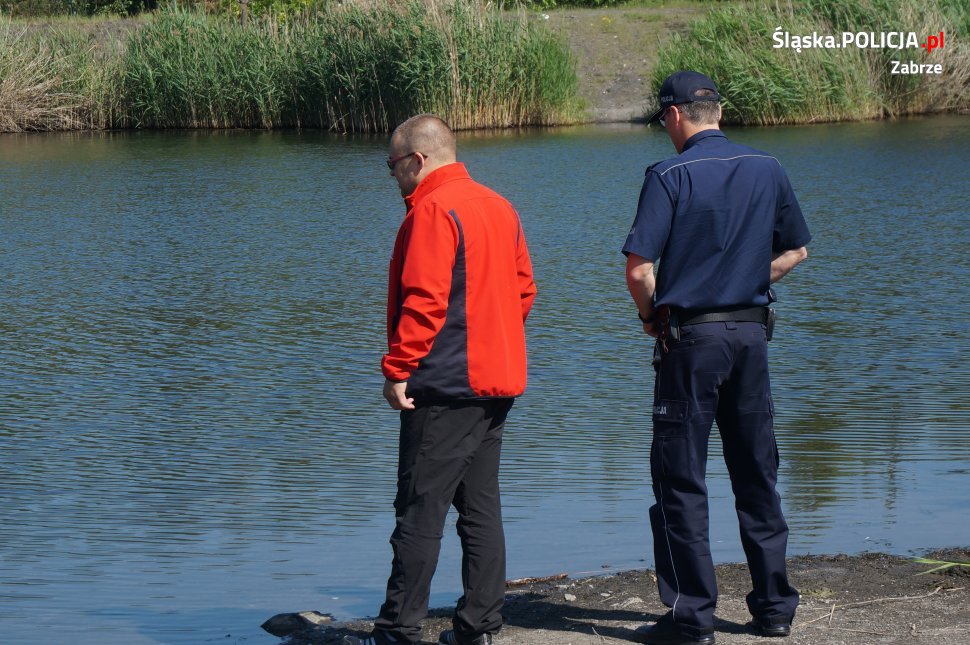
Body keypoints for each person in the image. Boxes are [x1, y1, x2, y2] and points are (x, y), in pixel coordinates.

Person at [622, 71, 811, 645]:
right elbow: (796, 250)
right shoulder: (767, 167)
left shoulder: (668, 174)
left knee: (681, 479)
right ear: (719, 112)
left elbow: (639, 269)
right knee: (757, 474)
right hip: (751, 338)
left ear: (675, 115)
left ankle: (692, 619)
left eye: (664, 121)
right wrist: (744, 279)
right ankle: (774, 610)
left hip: (691, 343)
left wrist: (652, 317)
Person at [344, 114, 537, 645]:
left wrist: (398, 369)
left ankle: (399, 629)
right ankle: (478, 627)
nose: (392, 176)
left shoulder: (432, 209)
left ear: (418, 159)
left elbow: (425, 302)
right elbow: (524, 290)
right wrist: (492, 338)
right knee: (480, 509)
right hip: (496, 382)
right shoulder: (498, 205)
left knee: (419, 509)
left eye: (392, 165)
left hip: (446, 385)